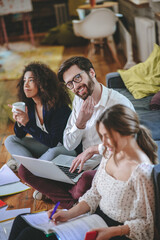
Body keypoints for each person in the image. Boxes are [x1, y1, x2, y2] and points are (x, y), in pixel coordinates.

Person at [8, 104, 157, 240]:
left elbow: (146, 225)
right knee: (21, 220)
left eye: (108, 136)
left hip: (118, 231)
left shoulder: (141, 172)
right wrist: (69, 214)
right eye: (102, 136)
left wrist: (113, 231)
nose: (103, 143)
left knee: (29, 235)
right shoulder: (108, 153)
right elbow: (94, 193)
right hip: (95, 218)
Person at [17, 56, 135, 209]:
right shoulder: (79, 100)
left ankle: (67, 197)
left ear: (91, 72)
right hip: (80, 166)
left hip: (104, 166)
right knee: (25, 170)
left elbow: (128, 147)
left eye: (77, 78)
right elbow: (68, 143)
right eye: (70, 84)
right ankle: (73, 202)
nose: (75, 87)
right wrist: (80, 123)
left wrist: (93, 150)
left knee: (85, 180)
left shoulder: (119, 104)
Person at [4, 62, 79, 200]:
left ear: (43, 83)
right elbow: (19, 135)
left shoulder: (59, 108)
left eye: (31, 80)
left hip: (66, 149)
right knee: (10, 140)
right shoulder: (30, 105)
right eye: (24, 80)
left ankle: (31, 173)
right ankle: (35, 173)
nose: (26, 85)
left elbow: (53, 142)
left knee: (54, 151)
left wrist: (28, 123)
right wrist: (20, 122)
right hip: (46, 148)